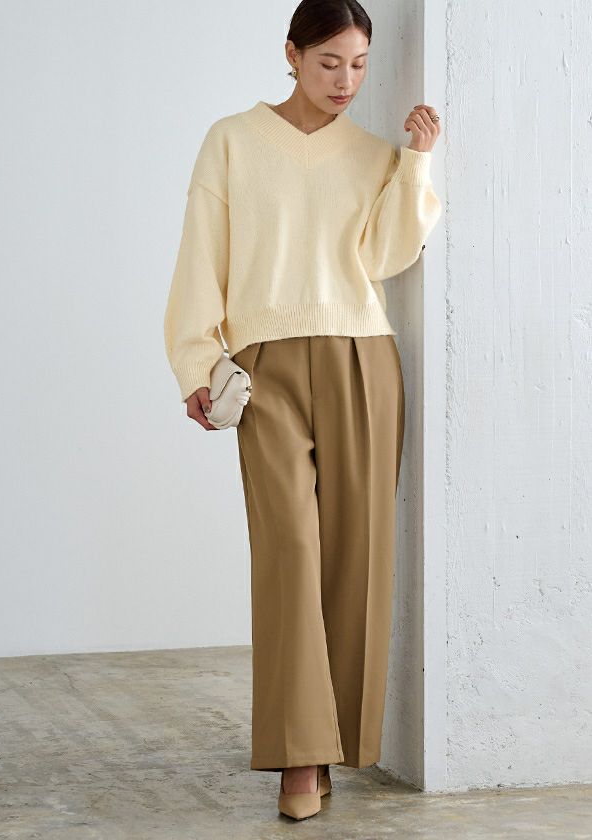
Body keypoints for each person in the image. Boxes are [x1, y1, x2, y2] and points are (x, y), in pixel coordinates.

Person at [163, 0, 442, 821]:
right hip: (266, 366)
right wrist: (195, 361)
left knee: (357, 557)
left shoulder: (372, 154)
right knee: (288, 552)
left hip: (363, 357)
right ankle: (298, 755)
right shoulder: (232, 141)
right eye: (328, 62)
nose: (345, 81)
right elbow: (200, 257)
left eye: (358, 64)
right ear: (291, 54)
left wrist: (416, 164)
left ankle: (334, 749)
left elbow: (387, 255)